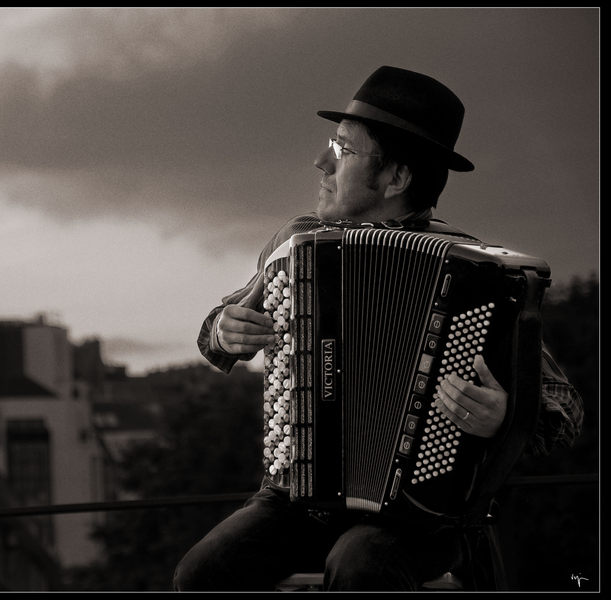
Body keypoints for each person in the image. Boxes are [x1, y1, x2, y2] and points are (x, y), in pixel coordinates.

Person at [174, 66, 584, 591]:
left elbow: (562, 411)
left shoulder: (479, 278)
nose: (321, 161)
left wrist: (502, 417)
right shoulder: (297, 243)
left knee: (361, 562)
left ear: (397, 178)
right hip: (299, 497)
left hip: (423, 514)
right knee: (200, 573)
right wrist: (227, 331)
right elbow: (217, 334)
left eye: (343, 150)